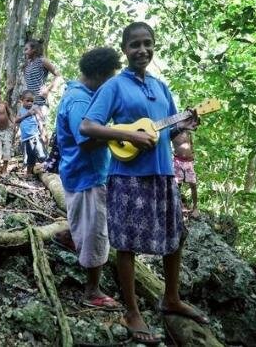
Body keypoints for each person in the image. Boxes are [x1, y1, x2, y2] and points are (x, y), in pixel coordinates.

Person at [79, 22, 206, 345]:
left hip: (163, 174)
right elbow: (88, 126)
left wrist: (186, 129)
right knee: (127, 245)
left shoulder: (162, 88)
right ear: (124, 50)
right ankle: (132, 310)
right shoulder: (114, 87)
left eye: (147, 44)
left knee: (176, 237)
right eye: (135, 45)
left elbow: (175, 132)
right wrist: (126, 134)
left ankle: (171, 298)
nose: (142, 50)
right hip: (129, 177)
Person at [56, 47, 122, 309]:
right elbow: (86, 140)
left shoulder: (83, 95)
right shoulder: (80, 101)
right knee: (97, 232)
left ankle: (72, 236)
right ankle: (92, 291)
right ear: (98, 74)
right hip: (87, 175)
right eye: (109, 78)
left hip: (80, 172)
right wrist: (123, 135)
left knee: (85, 220)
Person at [23, 39, 62, 124]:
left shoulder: (42, 61)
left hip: (40, 102)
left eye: (26, 49)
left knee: (40, 131)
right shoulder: (28, 64)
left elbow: (58, 75)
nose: (24, 52)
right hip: (29, 103)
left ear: (34, 50)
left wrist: (48, 89)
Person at [15, 90, 47, 177]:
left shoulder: (34, 108)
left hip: (35, 136)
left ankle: (47, 170)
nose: (30, 103)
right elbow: (16, 120)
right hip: (26, 138)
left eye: (32, 101)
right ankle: (29, 173)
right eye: (27, 101)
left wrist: (42, 132)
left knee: (41, 153)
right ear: (22, 100)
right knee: (30, 156)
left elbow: (41, 119)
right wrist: (27, 115)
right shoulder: (21, 110)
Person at [172, 131, 199, 218]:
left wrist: (193, 153)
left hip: (189, 162)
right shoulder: (174, 132)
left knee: (193, 185)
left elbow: (190, 143)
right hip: (177, 161)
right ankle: (178, 206)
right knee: (177, 185)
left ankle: (195, 207)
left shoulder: (187, 132)